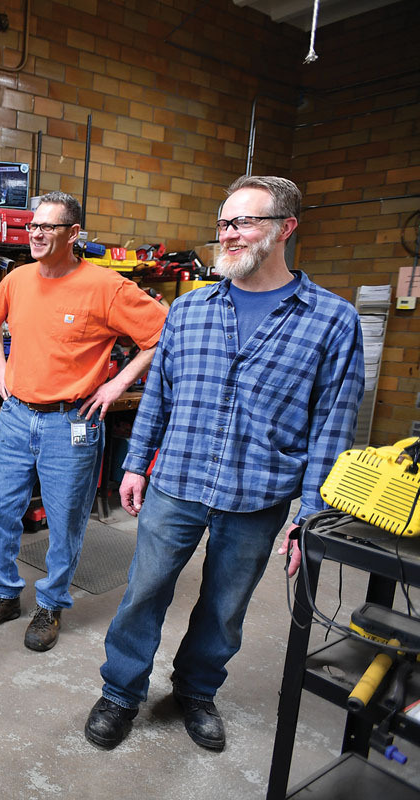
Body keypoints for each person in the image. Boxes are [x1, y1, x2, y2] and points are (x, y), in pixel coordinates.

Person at [85, 175, 365, 752]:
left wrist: (310, 515)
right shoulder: (189, 309)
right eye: (224, 223)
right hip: (178, 480)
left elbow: (332, 425)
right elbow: (159, 395)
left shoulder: (332, 320)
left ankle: (196, 689)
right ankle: (120, 692)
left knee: (224, 607)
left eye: (244, 222)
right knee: (143, 593)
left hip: (259, 494)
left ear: (286, 228)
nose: (229, 234)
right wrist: (135, 464)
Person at [0, 191, 167, 651]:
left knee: (65, 522)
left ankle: (50, 604)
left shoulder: (106, 287)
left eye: (47, 227)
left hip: (71, 422)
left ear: (73, 233)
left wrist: (117, 385)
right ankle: (4, 594)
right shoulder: (17, 280)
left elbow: (162, 334)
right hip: (16, 417)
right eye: (32, 226)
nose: (35, 234)